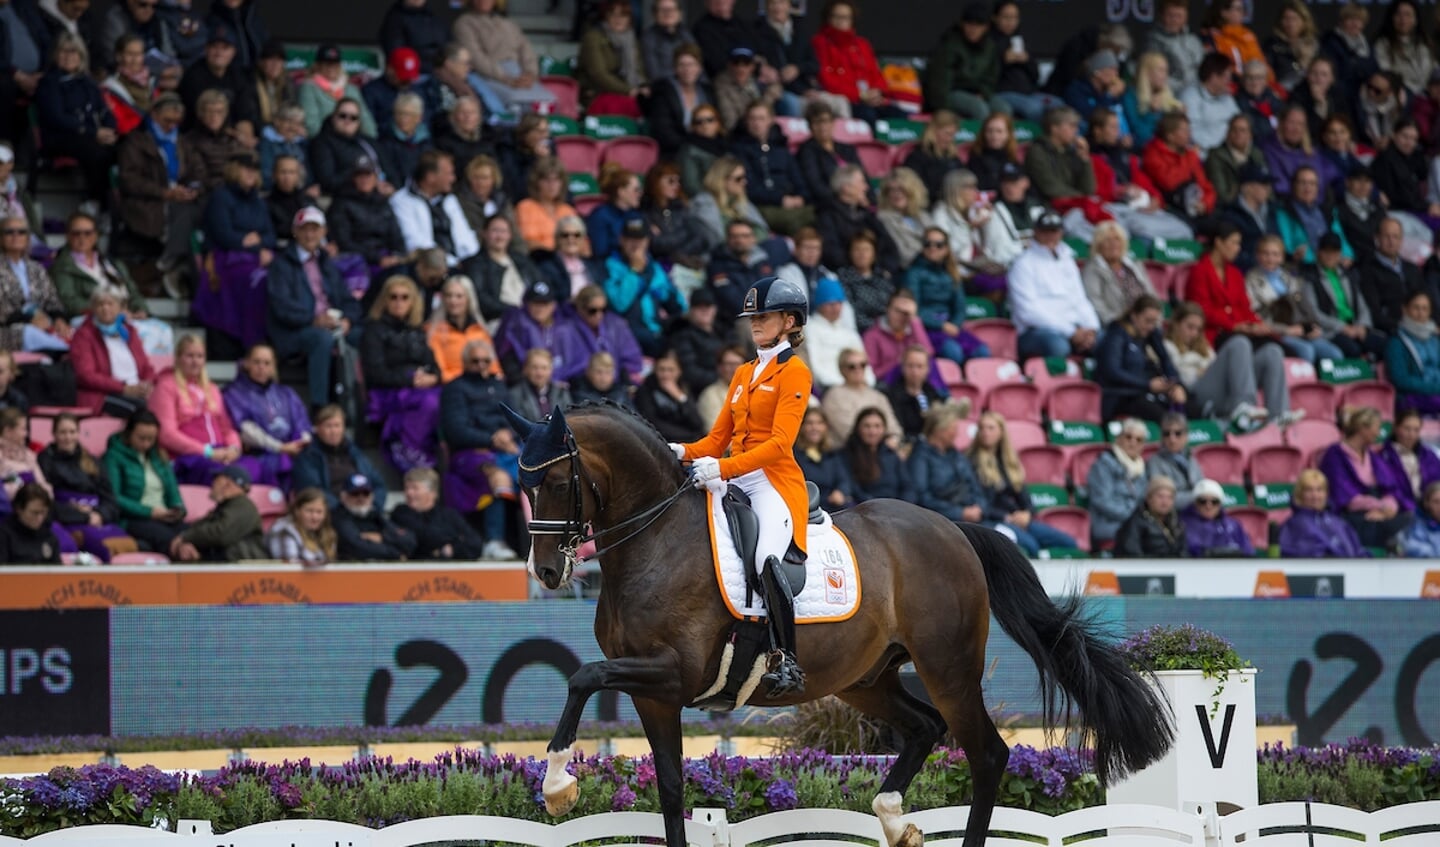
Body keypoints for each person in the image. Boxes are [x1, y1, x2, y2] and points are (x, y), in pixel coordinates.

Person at [672, 275, 812, 696]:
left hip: (772, 482)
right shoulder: (744, 372)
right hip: (733, 473)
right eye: (752, 316)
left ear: (789, 321)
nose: (754, 323)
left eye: (763, 316)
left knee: (766, 556)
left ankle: (787, 659)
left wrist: (723, 469)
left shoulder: (795, 372)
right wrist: (678, 451)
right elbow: (715, 442)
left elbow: (779, 445)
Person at [1186, 220, 1298, 425]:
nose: (1238, 248)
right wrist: (1234, 325)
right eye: (1234, 243)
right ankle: (1243, 405)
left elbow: (1245, 308)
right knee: (1240, 342)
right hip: (1215, 343)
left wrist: (1257, 325)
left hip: (1238, 337)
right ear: (1219, 243)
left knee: (1273, 350)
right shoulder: (1199, 271)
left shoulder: (1235, 273)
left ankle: (1279, 413)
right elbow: (1201, 311)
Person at [265, 206, 361, 411]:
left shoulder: (327, 263)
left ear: (324, 232)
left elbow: (347, 300)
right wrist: (313, 319)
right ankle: (320, 406)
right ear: (295, 232)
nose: (310, 234)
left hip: (330, 325)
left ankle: (361, 406)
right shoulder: (282, 265)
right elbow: (281, 307)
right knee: (321, 338)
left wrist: (347, 321)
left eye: (315, 229)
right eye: (304, 229)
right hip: (294, 332)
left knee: (363, 335)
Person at [152, 334, 266, 485]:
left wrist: (234, 449)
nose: (195, 362)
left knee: (256, 466)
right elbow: (167, 434)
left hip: (219, 453)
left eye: (200, 356)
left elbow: (227, 428)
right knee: (220, 473)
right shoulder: (166, 386)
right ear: (178, 358)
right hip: (187, 457)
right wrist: (207, 452)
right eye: (189, 356)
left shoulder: (212, 389)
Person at [362, 275, 442, 471]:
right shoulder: (373, 330)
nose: (399, 302)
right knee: (430, 402)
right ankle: (413, 453)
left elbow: (433, 364)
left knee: (449, 396)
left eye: (405, 297)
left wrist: (433, 377)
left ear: (413, 301)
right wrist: (410, 379)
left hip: (418, 387)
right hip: (386, 391)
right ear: (384, 300)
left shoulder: (417, 330)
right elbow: (375, 373)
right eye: (393, 297)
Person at [37, 413, 135, 562]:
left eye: (72, 432)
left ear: (78, 433)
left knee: (130, 546)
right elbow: (45, 501)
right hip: (67, 520)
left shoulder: (92, 461)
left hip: (97, 518)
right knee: (101, 547)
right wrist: (83, 516)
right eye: (63, 432)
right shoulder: (45, 460)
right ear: (54, 434)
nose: (68, 437)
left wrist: (100, 515)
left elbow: (110, 498)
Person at [35, 34, 117, 208]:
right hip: (61, 137)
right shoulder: (50, 82)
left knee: (122, 149)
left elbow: (104, 111)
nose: (68, 57)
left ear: (81, 56)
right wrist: (94, 132)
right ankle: (95, 203)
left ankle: (119, 207)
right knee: (97, 153)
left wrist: (110, 131)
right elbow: (57, 118)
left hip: (89, 135)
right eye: (63, 52)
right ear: (56, 55)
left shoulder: (88, 83)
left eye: (73, 52)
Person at [1163, 301, 1272, 430]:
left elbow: (1216, 367)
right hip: (1194, 394)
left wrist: (1209, 370)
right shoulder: (1167, 346)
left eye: (1198, 329)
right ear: (1176, 324)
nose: (1194, 334)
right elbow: (1179, 378)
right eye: (1190, 327)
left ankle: (1277, 416)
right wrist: (1203, 371)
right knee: (1239, 343)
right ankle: (1244, 408)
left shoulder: (1204, 347)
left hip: (1218, 389)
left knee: (1272, 352)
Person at [1318, 406, 1415, 551]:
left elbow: (1390, 488)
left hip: (1378, 512)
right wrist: (1379, 506)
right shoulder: (1335, 455)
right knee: (1385, 528)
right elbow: (1344, 497)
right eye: (1376, 428)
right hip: (1351, 515)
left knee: (1410, 519)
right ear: (1363, 428)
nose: (1378, 433)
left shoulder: (1372, 456)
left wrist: (1388, 508)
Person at [1007, 210, 1100, 361]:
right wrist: (1070, 332)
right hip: (1036, 331)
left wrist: (1091, 328)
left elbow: (1080, 298)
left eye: (1054, 231)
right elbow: (1028, 312)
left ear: (1061, 232)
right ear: (1036, 232)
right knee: (1058, 346)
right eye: (1045, 232)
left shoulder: (1067, 260)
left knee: (1105, 340)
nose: (1050, 236)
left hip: (1073, 327)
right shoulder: (1023, 264)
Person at [222, 342, 312, 492]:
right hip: (258, 455)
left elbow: (302, 423)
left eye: (266, 363)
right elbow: (245, 430)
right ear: (246, 364)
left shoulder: (286, 393)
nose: (261, 367)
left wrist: (300, 443)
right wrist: (280, 448)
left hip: (292, 452)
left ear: (273, 366)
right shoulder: (234, 393)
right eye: (256, 362)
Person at [1246, 234, 1345, 365]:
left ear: (1281, 257)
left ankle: (1323, 385)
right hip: (1275, 333)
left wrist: (1311, 327)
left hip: (1300, 330)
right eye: (1265, 254)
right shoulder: (1250, 280)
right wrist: (1287, 330)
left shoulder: (1290, 276)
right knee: (1306, 351)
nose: (1270, 259)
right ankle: (1304, 384)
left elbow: (1305, 306)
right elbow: (1257, 317)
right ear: (1257, 255)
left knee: (1335, 354)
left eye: (1275, 254)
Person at [1095, 293, 1192, 422]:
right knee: (1167, 419)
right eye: (1147, 321)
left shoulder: (1150, 334)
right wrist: (1147, 384)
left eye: (1155, 322)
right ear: (1134, 316)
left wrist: (1175, 384)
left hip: (1144, 392)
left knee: (1192, 409)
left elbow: (1165, 360)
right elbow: (1112, 371)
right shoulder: (1117, 334)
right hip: (1122, 396)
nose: (1151, 327)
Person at [103, 409, 188, 553]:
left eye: (151, 439)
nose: (146, 444)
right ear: (129, 433)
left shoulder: (160, 457)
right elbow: (114, 497)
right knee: (169, 541)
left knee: (196, 535)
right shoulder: (113, 457)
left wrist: (178, 509)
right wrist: (150, 512)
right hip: (134, 519)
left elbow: (174, 493)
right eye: (141, 438)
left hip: (165, 517)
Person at [811, 0, 904, 125]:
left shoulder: (862, 44)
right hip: (846, 100)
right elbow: (826, 80)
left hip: (870, 99)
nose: (840, 21)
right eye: (836, 16)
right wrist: (859, 94)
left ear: (852, 20)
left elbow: (876, 74)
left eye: (845, 17)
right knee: (868, 115)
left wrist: (877, 92)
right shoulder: (819, 43)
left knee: (899, 115)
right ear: (828, 18)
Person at [452, 0, 554, 114]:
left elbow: (526, 50)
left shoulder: (509, 24)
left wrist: (530, 74)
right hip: (489, 76)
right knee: (518, 103)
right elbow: (476, 58)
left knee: (550, 101)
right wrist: (506, 79)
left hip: (519, 74)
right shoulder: (464, 23)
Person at [603, 219, 684, 357]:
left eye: (640, 240)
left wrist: (664, 294)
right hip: (630, 332)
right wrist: (634, 271)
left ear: (647, 241)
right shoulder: (611, 266)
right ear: (621, 240)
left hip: (657, 329)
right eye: (630, 239)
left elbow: (679, 305)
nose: (635, 245)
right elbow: (619, 304)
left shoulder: (655, 267)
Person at [69, 289, 156, 417]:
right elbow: (86, 375)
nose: (105, 308)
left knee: (163, 403)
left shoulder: (129, 332)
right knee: (141, 410)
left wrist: (147, 383)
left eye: (110, 304)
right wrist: (123, 388)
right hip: (103, 394)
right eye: (100, 304)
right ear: (93, 308)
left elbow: (145, 367)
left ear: (120, 307)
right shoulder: (84, 335)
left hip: (136, 390)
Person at [729, 100, 811, 236]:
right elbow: (749, 188)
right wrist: (780, 199)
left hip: (791, 203)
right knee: (794, 222)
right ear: (746, 122)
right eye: (752, 118)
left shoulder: (781, 148)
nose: (757, 123)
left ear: (770, 121)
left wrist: (801, 197)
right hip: (761, 205)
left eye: (761, 118)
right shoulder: (739, 150)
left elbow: (798, 179)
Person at [1299, 232, 1385, 360]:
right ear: (1318, 252)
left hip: (1354, 326)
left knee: (1383, 344)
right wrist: (1342, 327)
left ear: (1339, 254)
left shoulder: (1348, 275)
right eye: (1326, 252)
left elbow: (1362, 305)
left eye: (1334, 252)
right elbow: (1314, 313)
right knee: (1353, 349)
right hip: (1330, 330)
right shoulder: (1310, 277)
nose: (1330, 256)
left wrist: (1362, 326)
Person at [391, 150, 479, 268]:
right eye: (449, 174)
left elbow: (465, 237)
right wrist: (452, 262)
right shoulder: (401, 201)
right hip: (428, 267)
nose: (453, 179)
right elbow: (415, 243)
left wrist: (472, 262)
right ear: (431, 177)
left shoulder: (449, 200)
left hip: (460, 266)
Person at [292, 405, 387, 509]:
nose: (333, 431)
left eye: (337, 426)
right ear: (318, 429)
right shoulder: (307, 456)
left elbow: (379, 485)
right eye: (328, 426)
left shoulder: (355, 452)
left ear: (343, 428)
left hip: (364, 510)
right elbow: (312, 491)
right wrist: (342, 510)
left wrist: (374, 506)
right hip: (332, 513)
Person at [924, 5, 1007, 120]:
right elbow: (940, 82)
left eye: (978, 25)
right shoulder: (950, 45)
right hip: (954, 92)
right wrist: (945, 110)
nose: (973, 29)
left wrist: (983, 93)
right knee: (979, 108)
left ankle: (1002, 137)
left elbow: (992, 77)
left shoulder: (990, 47)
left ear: (986, 27)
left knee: (1003, 108)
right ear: (962, 24)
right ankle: (981, 138)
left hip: (978, 93)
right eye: (969, 24)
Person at [0, 215, 70, 352]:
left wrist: (58, 319)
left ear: (27, 238)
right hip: (7, 329)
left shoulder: (36, 268)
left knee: (71, 330)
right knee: (29, 333)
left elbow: (52, 299)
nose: (16, 236)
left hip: (42, 325)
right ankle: (68, 351)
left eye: (21, 232)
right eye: (9, 232)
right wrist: (27, 320)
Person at [168, 465, 266, 561]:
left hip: (242, 568)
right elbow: (198, 527)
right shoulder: (228, 505)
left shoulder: (243, 506)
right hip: (228, 564)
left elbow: (221, 533)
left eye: (216, 479)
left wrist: (185, 537)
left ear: (228, 484)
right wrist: (184, 541)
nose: (212, 483)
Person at [908, 403, 984, 520]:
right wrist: (959, 513)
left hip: (974, 515)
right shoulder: (920, 457)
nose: (956, 434)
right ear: (939, 430)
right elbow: (922, 497)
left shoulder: (957, 455)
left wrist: (980, 508)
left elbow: (974, 486)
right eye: (952, 429)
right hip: (943, 521)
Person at [327, 157, 406, 270]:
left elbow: (396, 234)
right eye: (360, 175)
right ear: (353, 178)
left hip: (386, 256)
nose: (364, 179)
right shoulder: (341, 204)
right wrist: (377, 258)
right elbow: (344, 242)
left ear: (376, 178)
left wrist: (398, 255)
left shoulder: (382, 202)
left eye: (368, 175)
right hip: (360, 260)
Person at [818, 164, 899, 273]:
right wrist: (862, 267)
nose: (866, 187)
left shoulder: (866, 214)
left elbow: (889, 246)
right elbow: (832, 253)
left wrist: (880, 269)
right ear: (846, 188)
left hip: (876, 275)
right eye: (862, 182)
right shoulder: (827, 215)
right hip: (846, 278)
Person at [391, 467, 486, 560]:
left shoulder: (449, 515)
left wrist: (452, 549)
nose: (409, 493)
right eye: (407, 488)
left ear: (432, 493)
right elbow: (424, 538)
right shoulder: (400, 513)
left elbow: (475, 544)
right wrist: (455, 539)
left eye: (415, 488)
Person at [643, 162, 713, 285]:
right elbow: (656, 244)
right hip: (661, 268)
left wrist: (677, 254)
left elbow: (701, 238)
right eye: (671, 181)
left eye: (678, 181)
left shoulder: (681, 209)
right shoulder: (645, 212)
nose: (676, 186)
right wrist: (684, 234)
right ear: (656, 183)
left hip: (686, 264)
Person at [577, 0, 649, 117]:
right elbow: (598, 74)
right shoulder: (593, 38)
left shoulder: (632, 40)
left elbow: (639, 70)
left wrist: (643, 87)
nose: (618, 19)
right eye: (613, 15)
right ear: (606, 17)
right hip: (598, 92)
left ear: (630, 19)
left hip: (628, 91)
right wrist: (629, 90)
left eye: (623, 15)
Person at [1141, 112, 1216, 224]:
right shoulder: (1153, 154)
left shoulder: (1189, 154)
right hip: (1168, 209)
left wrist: (1205, 204)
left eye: (1189, 130)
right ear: (1170, 136)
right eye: (1184, 130)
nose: (1189, 134)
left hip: (1195, 207)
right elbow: (1169, 182)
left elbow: (1204, 185)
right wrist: (1190, 159)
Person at [1086, 418, 1150, 548]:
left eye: (1138, 440)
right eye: (1128, 437)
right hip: (1108, 524)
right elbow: (1102, 501)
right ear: (1119, 439)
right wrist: (1131, 517)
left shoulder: (1142, 469)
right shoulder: (1103, 465)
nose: (1133, 442)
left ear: (1143, 445)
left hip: (1134, 525)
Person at [468, 214, 541, 326]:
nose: (499, 236)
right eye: (495, 231)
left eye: (504, 231)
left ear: (510, 235)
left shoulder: (521, 260)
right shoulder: (477, 264)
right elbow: (481, 298)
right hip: (499, 320)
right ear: (484, 233)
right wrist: (513, 311)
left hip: (530, 316)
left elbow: (539, 284)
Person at [1278, 468, 1368, 557]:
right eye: (1309, 490)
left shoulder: (1338, 522)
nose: (1315, 495)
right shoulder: (1295, 524)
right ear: (1300, 494)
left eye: (1319, 490)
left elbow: (1358, 551)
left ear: (1326, 493)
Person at [1357, 217, 1423, 337]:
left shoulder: (1412, 268)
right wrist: (1402, 326)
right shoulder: (1367, 269)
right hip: (1391, 330)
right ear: (1377, 238)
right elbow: (1374, 312)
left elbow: (1426, 300)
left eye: (1395, 237)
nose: (1391, 241)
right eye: (1386, 236)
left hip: (1418, 326)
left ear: (1401, 240)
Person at [1274, 164, 1351, 266]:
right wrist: (1294, 255)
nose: (1307, 187)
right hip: (1303, 265)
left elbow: (1340, 236)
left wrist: (1347, 256)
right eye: (1302, 183)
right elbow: (1286, 244)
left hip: (1331, 264)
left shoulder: (1327, 210)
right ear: (1294, 185)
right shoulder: (1284, 211)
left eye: (1312, 183)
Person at [308, 97, 387, 196]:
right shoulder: (322, 143)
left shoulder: (367, 141)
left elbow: (389, 169)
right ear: (333, 117)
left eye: (353, 117)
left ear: (358, 122)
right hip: (346, 197)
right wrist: (361, 175)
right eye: (342, 116)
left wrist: (391, 185)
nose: (347, 120)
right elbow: (328, 182)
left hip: (378, 197)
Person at [1082, 221, 1156, 325]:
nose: (1113, 244)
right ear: (1098, 245)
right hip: (1116, 325)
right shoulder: (1092, 269)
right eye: (1107, 240)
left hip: (1146, 323)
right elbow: (1096, 303)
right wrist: (1120, 323)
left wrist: (1154, 319)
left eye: (1117, 239)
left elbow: (1151, 295)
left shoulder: (1135, 265)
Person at [692, 156, 773, 249]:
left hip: (751, 251)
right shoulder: (704, 205)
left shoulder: (740, 202)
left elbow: (762, 231)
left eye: (744, 177)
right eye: (738, 178)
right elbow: (714, 240)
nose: (744, 182)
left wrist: (749, 243)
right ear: (722, 180)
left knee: (778, 245)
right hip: (722, 255)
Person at [645, 44, 710, 158]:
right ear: (675, 68)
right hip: (674, 152)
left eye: (691, 64)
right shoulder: (663, 92)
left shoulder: (707, 91)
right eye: (682, 65)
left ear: (699, 68)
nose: (687, 70)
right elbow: (664, 133)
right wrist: (693, 145)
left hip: (706, 148)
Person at [822, 347, 900, 444]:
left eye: (862, 365)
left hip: (883, 449)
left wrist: (892, 441)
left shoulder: (878, 396)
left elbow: (894, 429)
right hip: (848, 453)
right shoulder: (833, 396)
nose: (858, 369)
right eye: (852, 366)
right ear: (842, 370)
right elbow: (847, 432)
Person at [333, 472, 416, 561]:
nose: (361, 498)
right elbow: (358, 548)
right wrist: (396, 553)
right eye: (355, 493)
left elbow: (409, 541)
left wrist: (383, 537)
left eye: (366, 493)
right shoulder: (339, 517)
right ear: (344, 496)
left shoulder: (374, 515)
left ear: (372, 496)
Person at [298, 43, 375, 138]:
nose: (331, 67)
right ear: (318, 65)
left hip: (353, 142)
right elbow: (312, 126)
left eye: (335, 63)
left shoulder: (351, 88)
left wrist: (370, 140)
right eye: (327, 63)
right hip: (324, 142)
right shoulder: (309, 87)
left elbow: (366, 120)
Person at [801, 277, 863, 391]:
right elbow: (815, 367)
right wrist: (841, 385)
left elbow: (864, 365)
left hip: (858, 387)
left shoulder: (849, 332)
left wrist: (866, 383)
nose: (835, 308)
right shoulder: (810, 328)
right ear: (820, 304)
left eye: (838, 303)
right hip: (828, 388)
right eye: (830, 303)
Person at [1385, 290, 1440, 418]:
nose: (1420, 313)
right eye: (1416, 308)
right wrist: (1435, 389)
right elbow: (1401, 380)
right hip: (1410, 397)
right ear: (1405, 310)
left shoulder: (1434, 339)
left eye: (1425, 309)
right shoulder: (1397, 342)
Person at [863, 289, 935, 385]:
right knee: (909, 364)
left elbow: (928, 353)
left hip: (914, 384)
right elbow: (872, 374)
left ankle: (941, 397)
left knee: (928, 363)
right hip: (887, 385)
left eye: (906, 313)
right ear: (887, 309)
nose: (901, 316)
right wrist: (899, 361)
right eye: (897, 311)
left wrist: (914, 320)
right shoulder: (872, 336)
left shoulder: (914, 330)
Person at [1262, 103, 1334, 199]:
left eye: (1300, 124)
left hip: (1318, 208)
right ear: (1281, 123)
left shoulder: (1312, 152)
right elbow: (1280, 187)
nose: (1296, 128)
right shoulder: (1269, 149)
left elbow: (1333, 176)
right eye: (1291, 122)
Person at [1219, 160, 1281, 271]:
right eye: (1263, 184)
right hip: (1245, 274)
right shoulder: (1231, 215)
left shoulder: (1272, 211)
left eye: (1268, 184)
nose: (1268, 188)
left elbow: (1277, 241)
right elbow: (1230, 253)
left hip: (1271, 272)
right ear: (1247, 187)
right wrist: (1260, 261)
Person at [1377, 409, 1440, 514]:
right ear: (1396, 428)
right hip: (1403, 509)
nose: (1411, 435)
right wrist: (1411, 507)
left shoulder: (1428, 455)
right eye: (1407, 429)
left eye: (1416, 430)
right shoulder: (1383, 456)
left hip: (1430, 508)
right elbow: (1389, 488)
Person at [843, 406, 911, 502]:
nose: (872, 432)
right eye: (867, 426)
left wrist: (903, 506)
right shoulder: (847, 455)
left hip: (897, 509)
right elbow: (853, 489)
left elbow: (907, 486)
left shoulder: (891, 455)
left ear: (884, 429)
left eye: (877, 426)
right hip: (865, 509)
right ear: (858, 428)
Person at [634, 349, 705, 442]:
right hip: (662, 442)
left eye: (671, 370)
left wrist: (680, 396)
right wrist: (689, 434)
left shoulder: (684, 388)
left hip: (688, 440)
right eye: (661, 369)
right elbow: (653, 422)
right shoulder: (645, 390)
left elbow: (697, 423)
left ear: (679, 371)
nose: (666, 375)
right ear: (655, 369)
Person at [883, 345, 951, 441]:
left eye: (920, 366)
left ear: (927, 369)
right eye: (910, 366)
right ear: (902, 367)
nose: (915, 371)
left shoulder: (932, 393)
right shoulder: (891, 395)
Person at [794, 407, 853, 513]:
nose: (814, 427)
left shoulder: (832, 453)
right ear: (801, 426)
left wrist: (840, 491)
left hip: (834, 507)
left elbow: (844, 480)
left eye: (819, 423)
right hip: (808, 509)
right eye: (809, 423)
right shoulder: (794, 455)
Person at [515, 157, 578, 254]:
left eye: (556, 180)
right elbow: (527, 243)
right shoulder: (525, 207)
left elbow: (583, 244)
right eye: (547, 180)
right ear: (537, 182)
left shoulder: (568, 210)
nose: (552, 185)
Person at [1178, 53, 1239, 153]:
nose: (1229, 81)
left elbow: (1238, 121)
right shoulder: (1190, 97)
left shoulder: (1227, 97)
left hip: (1229, 152)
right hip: (1205, 155)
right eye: (1226, 77)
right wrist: (1222, 146)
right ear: (1213, 77)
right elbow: (1193, 134)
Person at [1114, 475, 1187, 558]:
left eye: (1170, 497)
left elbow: (1183, 553)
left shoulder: (1177, 523)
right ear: (1149, 498)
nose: (1165, 502)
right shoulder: (1135, 523)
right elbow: (1131, 554)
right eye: (1160, 496)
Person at [1179, 478, 1254, 557]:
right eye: (1202, 501)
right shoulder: (1184, 524)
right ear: (1195, 503)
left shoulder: (1234, 525)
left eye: (1214, 502)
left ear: (1220, 504)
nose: (1208, 506)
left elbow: (1248, 552)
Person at [375, 92, 433, 194]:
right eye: (399, 113)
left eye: (408, 114)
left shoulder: (426, 143)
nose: (403, 119)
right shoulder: (385, 141)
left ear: (419, 118)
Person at [837, 230, 894, 333]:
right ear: (850, 253)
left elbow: (892, 306)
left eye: (866, 250)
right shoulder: (843, 277)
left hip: (889, 329)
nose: (862, 254)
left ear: (874, 254)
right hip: (861, 331)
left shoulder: (882, 277)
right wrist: (878, 328)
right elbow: (851, 312)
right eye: (857, 249)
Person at [1122, 51, 1182, 148]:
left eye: (1166, 71)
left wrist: (1178, 118)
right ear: (1147, 72)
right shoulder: (1130, 97)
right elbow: (1142, 137)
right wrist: (1152, 113)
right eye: (1161, 70)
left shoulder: (1167, 97)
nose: (1165, 76)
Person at [1146, 413, 1205, 512]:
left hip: (1195, 512)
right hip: (1173, 516)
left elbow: (1202, 486)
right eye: (1167, 434)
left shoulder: (1190, 457)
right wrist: (1197, 497)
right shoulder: (1154, 462)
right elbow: (1163, 499)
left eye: (1177, 433)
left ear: (1186, 436)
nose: (1172, 439)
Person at [877, 168, 933, 269]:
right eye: (891, 190)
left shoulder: (924, 217)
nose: (897, 194)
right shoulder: (883, 219)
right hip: (909, 271)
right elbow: (903, 254)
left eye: (901, 189)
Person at [1207, 114, 1267, 210]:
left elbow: (1267, 184)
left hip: (1259, 205)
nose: (1238, 134)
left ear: (1250, 135)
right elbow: (1222, 195)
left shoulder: (1257, 154)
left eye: (1243, 130)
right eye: (1234, 130)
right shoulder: (1216, 156)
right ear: (1227, 133)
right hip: (1230, 209)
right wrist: (1245, 189)